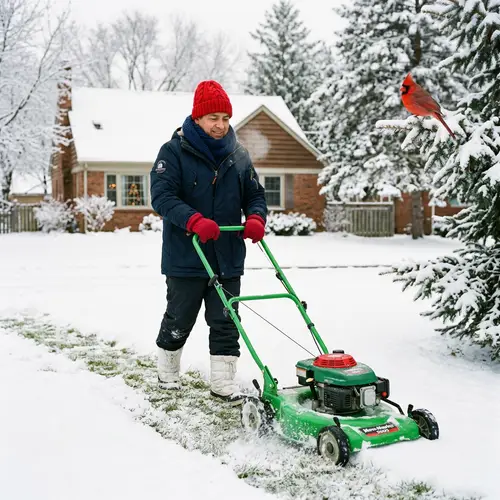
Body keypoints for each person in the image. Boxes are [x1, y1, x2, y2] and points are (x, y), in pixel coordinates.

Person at [150, 80, 268, 404]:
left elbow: (255, 194)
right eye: (213, 117)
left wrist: (256, 217)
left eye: (225, 118)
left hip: (227, 255)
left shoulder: (238, 155)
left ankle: (222, 382)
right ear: (198, 118)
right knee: (180, 316)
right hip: (187, 256)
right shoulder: (173, 151)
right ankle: (168, 371)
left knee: (227, 319)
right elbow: (161, 196)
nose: (220, 125)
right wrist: (194, 220)